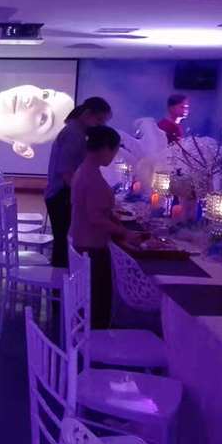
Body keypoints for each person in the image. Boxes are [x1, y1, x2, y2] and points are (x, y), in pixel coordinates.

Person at [70, 125, 139, 329]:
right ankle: (96, 342)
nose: (114, 156)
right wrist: (126, 233)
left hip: (80, 242)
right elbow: (96, 219)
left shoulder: (84, 171)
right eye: (115, 151)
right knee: (97, 306)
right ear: (106, 149)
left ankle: (87, 340)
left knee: (90, 303)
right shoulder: (93, 179)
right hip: (91, 248)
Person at [44, 96, 112, 268]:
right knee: (63, 243)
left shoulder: (76, 131)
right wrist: (83, 196)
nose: (100, 125)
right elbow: (66, 172)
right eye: (99, 120)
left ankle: (61, 280)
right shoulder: (74, 134)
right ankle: (60, 280)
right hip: (61, 195)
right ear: (87, 114)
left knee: (62, 242)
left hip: (59, 194)